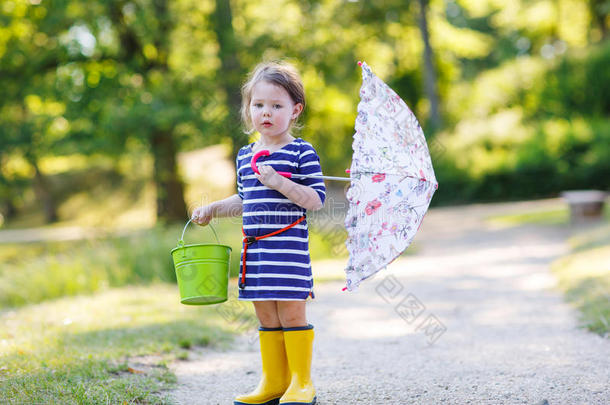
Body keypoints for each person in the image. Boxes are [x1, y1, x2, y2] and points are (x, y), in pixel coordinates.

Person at [191, 60, 325, 405]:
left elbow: (316, 200)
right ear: (248, 109)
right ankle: (274, 381)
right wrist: (213, 210)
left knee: (292, 313)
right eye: (258, 104)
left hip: (288, 252)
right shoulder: (245, 155)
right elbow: (246, 199)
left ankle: (301, 382)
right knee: (265, 313)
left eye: (276, 106)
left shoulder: (301, 152)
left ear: (295, 110)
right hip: (257, 253)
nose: (266, 112)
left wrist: (280, 181)